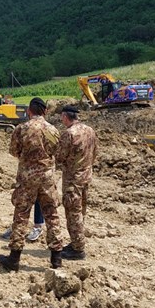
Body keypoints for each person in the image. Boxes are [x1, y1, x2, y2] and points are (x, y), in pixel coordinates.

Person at [0, 97, 63, 272]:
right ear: (45, 111)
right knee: (52, 215)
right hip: (48, 178)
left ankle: (14, 259)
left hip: (27, 178)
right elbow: (57, 151)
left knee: (21, 216)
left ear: (29, 111)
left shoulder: (21, 129)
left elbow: (13, 151)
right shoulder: (53, 130)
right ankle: (56, 258)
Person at [55, 105, 98, 261]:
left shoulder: (69, 134)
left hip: (73, 180)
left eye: (62, 117)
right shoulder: (90, 131)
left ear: (66, 117)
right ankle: (75, 243)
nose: (61, 120)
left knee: (73, 213)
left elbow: (59, 156)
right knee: (81, 211)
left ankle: (78, 249)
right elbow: (95, 153)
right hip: (86, 177)